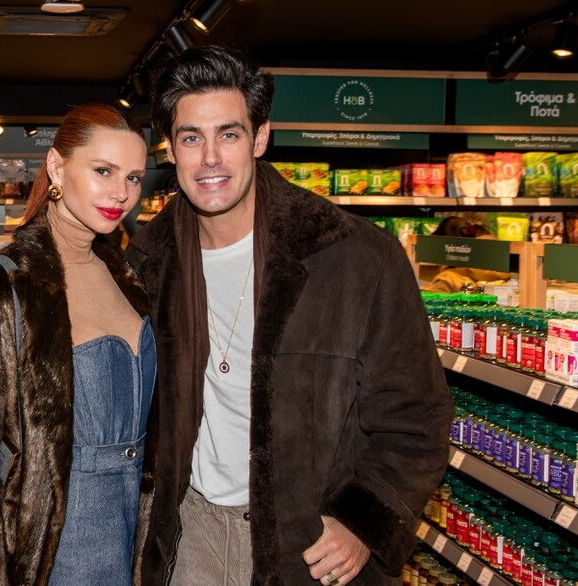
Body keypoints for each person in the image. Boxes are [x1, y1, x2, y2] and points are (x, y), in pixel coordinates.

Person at [129, 47, 452, 586]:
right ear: (170, 147)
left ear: (260, 138)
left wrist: (363, 521)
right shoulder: (148, 260)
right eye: (191, 138)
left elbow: (418, 415)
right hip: (190, 536)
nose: (210, 158)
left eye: (229, 134)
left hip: (307, 546)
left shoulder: (354, 256)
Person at [0, 103, 153, 585]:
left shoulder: (129, 277)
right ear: (56, 166)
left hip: (140, 546)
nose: (121, 193)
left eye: (134, 177)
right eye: (103, 171)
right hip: (57, 553)